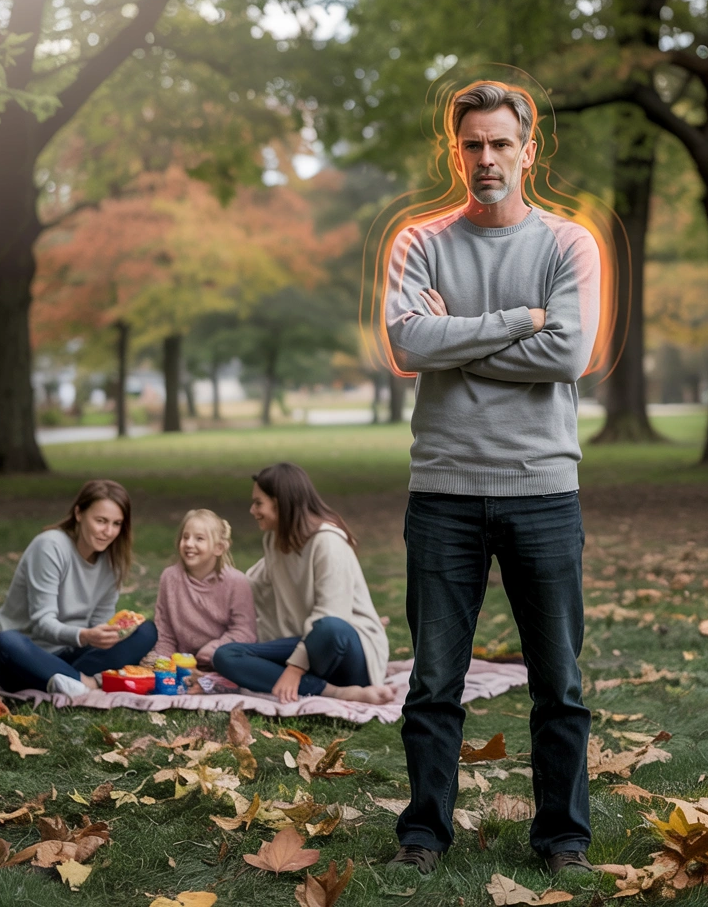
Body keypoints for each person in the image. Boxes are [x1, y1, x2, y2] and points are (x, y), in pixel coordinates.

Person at [384, 81, 601, 875]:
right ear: (456, 151)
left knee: (560, 683)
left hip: (542, 489)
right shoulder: (420, 242)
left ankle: (563, 839)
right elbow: (409, 345)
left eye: (500, 143)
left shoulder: (569, 245)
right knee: (435, 681)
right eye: (471, 144)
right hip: (442, 491)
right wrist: (519, 320)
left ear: (528, 150)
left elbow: (569, 355)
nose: (486, 158)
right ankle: (423, 836)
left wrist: (456, 336)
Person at [212, 462, 395, 704]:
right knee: (226, 655)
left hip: (347, 654)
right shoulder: (275, 540)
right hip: (307, 645)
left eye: (258, 503)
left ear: (280, 502)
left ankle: (304, 678)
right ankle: (334, 692)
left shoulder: (328, 543)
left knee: (329, 627)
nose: (252, 510)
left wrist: (294, 668)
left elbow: (332, 617)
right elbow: (249, 586)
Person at [0, 479, 157, 696]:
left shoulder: (113, 563)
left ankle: (68, 680)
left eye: (116, 524)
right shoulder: (50, 547)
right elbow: (42, 624)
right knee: (8, 641)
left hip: (73, 654)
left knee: (147, 631)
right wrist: (86, 636)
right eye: (101, 520)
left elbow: (99, 624)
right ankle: (86, 683)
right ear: (79, 514)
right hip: (27, 654)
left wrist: (106, 635)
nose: (108, 532)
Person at [143, 508, 257, 673]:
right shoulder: (170, 578)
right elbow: (165, 629)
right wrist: (165, 661)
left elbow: (245, 631)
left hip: (221, 659)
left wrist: (213, 650)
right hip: (181, 661)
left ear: (218, 548)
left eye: (199, 539)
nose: (189, 544)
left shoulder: (236, 582)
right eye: (185, 537)